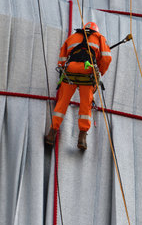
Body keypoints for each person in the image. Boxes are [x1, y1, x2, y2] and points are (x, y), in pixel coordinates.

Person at [45, 22, 112, 150]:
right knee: (85, 105)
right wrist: (99, 71)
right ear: (95, 30)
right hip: (87, 73)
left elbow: (63, 55)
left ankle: (51, 134)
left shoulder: (73, 36)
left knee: (62, 102)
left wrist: (63, 69)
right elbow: (106, 58)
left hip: (70, 71)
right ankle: (82, 138)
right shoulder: (99, 38)